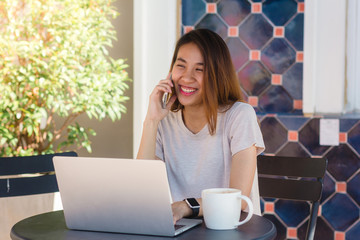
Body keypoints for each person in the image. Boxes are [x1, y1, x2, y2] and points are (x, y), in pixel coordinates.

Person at [137, 29, 265, 224]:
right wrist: (151, 121)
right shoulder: (164, 121)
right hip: (182, 231)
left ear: (217, 75)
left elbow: (237, 200)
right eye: (181, 66)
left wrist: (185, 206)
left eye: (199, 69)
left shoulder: (239, 115)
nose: (186, 78)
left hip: (233, 231)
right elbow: (143, 190)